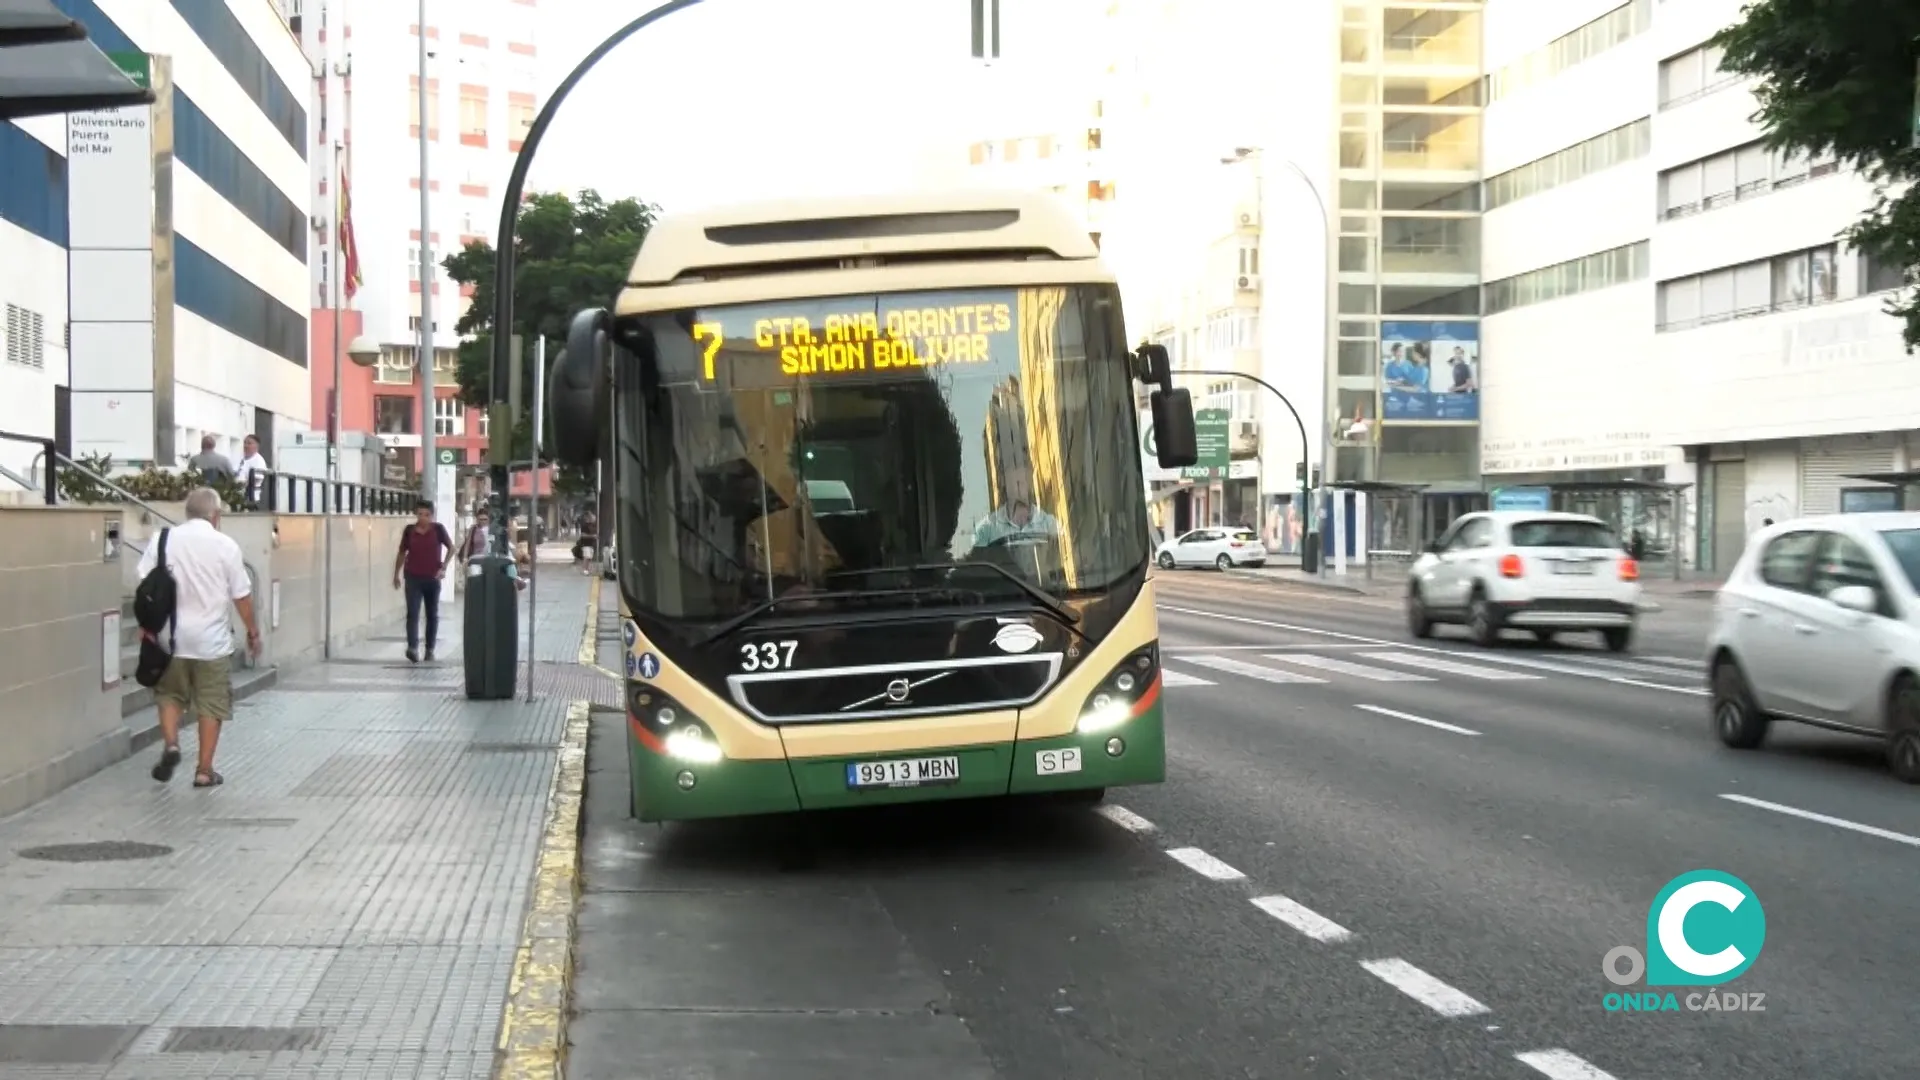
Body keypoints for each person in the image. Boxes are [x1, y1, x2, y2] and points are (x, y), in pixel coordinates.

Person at [142, 486, 260, 789]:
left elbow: (144, 583)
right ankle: (204, 771)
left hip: (170, 639)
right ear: (216, 515)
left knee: (169, 695)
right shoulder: (225, 545)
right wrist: (252, 631)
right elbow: (241, 596)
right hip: (212, 643)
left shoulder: (163, 539)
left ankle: (171, 744)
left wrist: (147, 626)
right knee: (211, 704)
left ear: (187, 512)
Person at [393, 499, 453, 662]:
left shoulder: (438, 529)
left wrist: (444, 567)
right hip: (413, 577)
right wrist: (396, 574)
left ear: (432, 515)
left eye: (427, 515)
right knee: (412, 613)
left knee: (432, 614)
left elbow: (452, 548)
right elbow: (401, 552)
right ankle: (412, 647)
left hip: (432, 578)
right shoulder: (409, 531)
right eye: (420, 514)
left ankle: (430, 649)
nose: (423, 518)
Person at [235, 434, 269, 507]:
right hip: (237, 495)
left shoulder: (259, 461)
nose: (246, 446)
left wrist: (241, 484)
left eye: (249, 443)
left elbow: (257, 479)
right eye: (245, 443)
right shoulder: (240, 458)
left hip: (251, 497)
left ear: (256, 446)